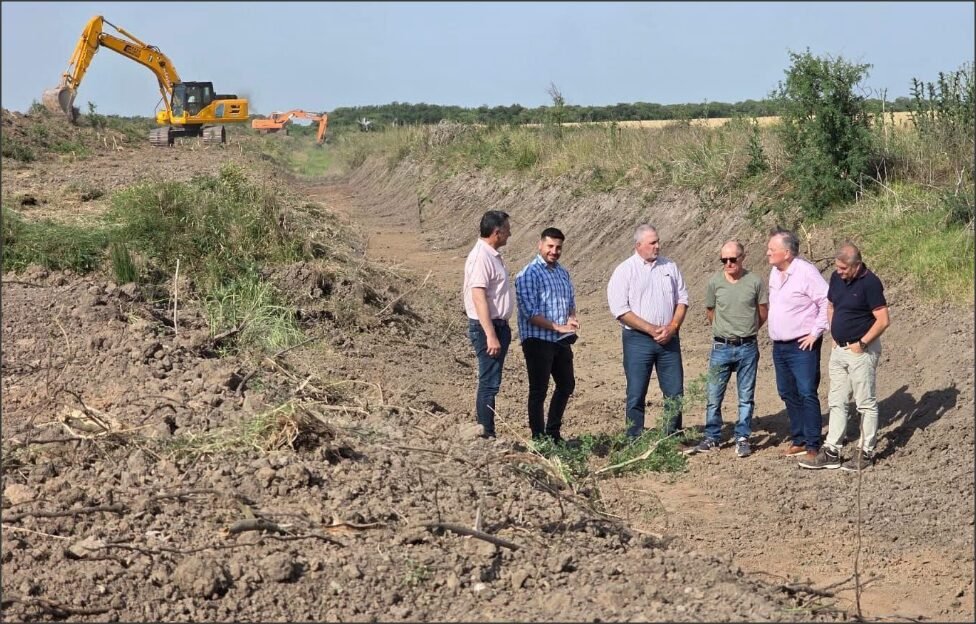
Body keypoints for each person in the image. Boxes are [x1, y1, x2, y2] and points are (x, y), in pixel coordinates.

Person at [799, 242, 889, 471]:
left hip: (861, 351)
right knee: (837, 400)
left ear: (857, 265)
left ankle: (865, 451)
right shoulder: (836, 278)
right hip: (839, 350)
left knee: (865, 403)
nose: (839, 272)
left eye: (843, 268)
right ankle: (832, 450)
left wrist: (862, 343)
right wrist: (834, 333)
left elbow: (883, 320)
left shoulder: (870, 283)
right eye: (837, 267)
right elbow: (830, 305)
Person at [607, 224, 689, 439]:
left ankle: (672, 436)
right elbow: (620, 310)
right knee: (636, 392)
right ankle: (634, 438)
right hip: (638, 340)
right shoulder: (625, 270)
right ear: (638, 245)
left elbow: (682, 300)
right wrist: (651, 329)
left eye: (657, 241)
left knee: (675, 391)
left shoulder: (670, 266)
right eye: (652, 243)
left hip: (669, 338)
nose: (657, 246)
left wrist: (672, 327)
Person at [689, 240, 768, 458]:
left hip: (747, 346)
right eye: (724, 260)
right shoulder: (715, 282)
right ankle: (712, 436)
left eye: (733, 259)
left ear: (743, 258)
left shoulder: (755, 282)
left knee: (746, 396)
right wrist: (723, 330)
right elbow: (711, 311)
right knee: (714, 395)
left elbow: (762, 311)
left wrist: (749, 330)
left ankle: (742, 437)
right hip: (721, 346)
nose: (728, 264)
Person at [766, 227, 829, 461]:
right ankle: (799, 438)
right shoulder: (775, 273)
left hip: (802, 345)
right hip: (780, 344)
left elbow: (826, 300)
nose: (767, 253)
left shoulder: (806, 272)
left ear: (787, 252)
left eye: (772, 249)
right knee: (787, 391)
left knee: (806, 392)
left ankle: (813, 443)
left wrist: (815, 332)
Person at [514, 227, 580, 444]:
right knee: (538, 390)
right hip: (537, 340)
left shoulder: (562, 273)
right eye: (550, 246)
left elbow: (570, 303)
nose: (554, 251)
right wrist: (558, 327)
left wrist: (571, 319)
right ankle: (539, 438)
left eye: (558, 247)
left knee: (566, 384)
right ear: (540, 245)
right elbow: (530, 313)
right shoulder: (528, 273)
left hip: (560, 340)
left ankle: (553, 433)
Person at [463, 210, 514, 439]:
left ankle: (486, 431)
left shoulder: (490, 255)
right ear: (497, 232)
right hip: (488, 328)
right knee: (489, 383)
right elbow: (478, 297)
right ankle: (486, 433)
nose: (510, 234)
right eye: (507, 229)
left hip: (497, 326)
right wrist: (491, 335)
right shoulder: (481, 257)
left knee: (491, 381)